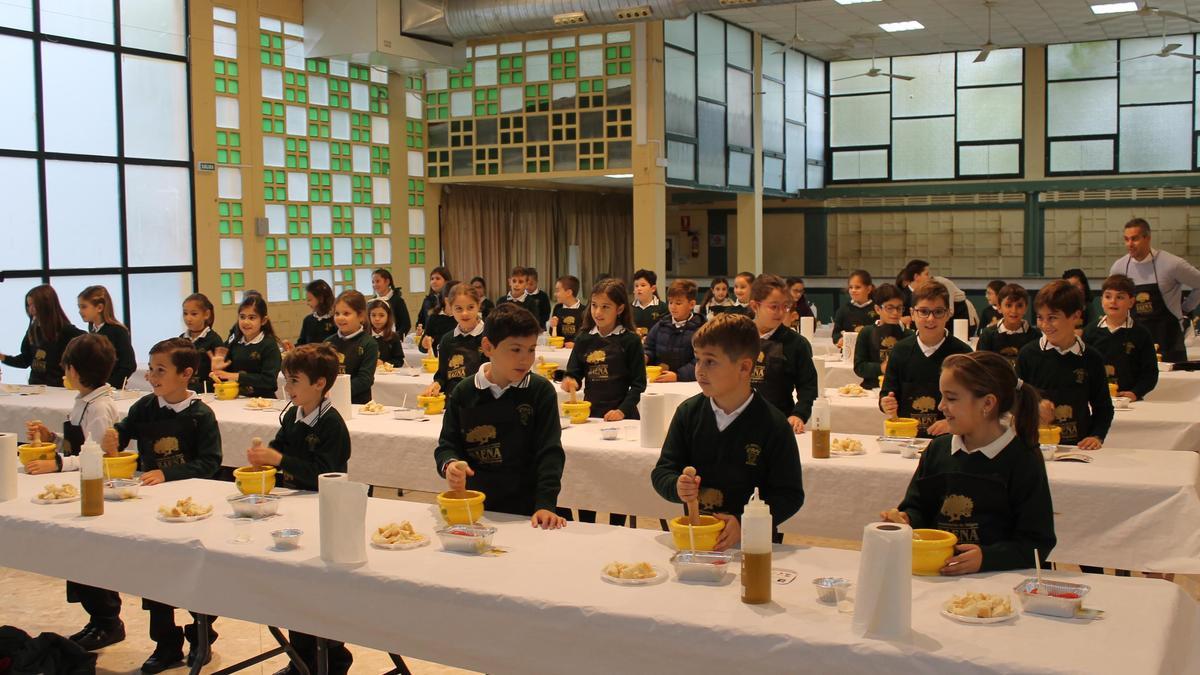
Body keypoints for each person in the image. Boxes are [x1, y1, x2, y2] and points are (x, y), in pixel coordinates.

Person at [880, 351, 1055, 575]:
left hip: (996, 582)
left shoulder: (1022, 458)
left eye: (951, 398)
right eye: (942, 396)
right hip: (937, 575)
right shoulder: (938, 450)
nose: (941, 406)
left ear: (988, 403)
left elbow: (1037, 541)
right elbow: (918, 507)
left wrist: (988, 558)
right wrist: (906, 520)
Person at [104, 338, 221, 672]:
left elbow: (210, 462)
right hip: (152, 505)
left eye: (160, 370)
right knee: (153, 570)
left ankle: (201, 634)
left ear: (186, 374)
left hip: (194, 506)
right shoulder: (145, 407)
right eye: (151, 369)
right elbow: (124, 430)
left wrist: (168, 473)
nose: (152, 376)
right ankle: (165, 642)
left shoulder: (201, 415)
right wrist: (115, 436)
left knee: (196, 572)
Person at [651, 313, 804, 551]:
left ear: (744, 367)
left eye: (710, 361)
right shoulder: (688, 413)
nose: (699, 370)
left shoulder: (773, 424)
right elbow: (663, 471)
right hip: (697, 543)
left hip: (755, 547)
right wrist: (676, 486)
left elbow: (790, 495)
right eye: (697, 359)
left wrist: (746, 523)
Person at [245, 343, 354, 675]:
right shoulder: (294, 414)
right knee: (294, 582)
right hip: (294, 508)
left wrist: (279, 459)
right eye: (285, 381)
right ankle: (302, 658)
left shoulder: (331, 425)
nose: (286, 388)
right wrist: (265, 457)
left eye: (293, 381)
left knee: (317, 588)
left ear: (319, 384)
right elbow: (282, 444)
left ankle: (332, 656)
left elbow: (327, 472)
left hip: (324, 511)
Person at [24, 335, 123, 653]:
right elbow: (77, 443)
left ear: (76, 371)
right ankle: (97, 620)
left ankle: (108, 620)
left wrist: (56, 463)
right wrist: (50, 437)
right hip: (80, 487)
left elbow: (95, 455)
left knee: (91, 557)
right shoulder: (85, 400)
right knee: (78, 560)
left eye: (66, 367)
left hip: (98, 489)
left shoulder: (100, 407)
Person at [434, 303, 566, 528]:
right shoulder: (464, 392)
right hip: (476, 508)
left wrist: (546, 504)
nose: (525, 359)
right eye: (515, 350)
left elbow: (550, 452)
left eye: (531, 349)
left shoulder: (540, 391)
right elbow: (447, 444)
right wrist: (451, 464)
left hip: (529, 509)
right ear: (488, 347)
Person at [1017, 280, 1113, 450]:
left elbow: (1103, 407)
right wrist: (1034, 406)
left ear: (1075, 316)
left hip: (1078, 445)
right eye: (1040, 317)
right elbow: (1014, 399)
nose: (1045, 325)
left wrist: (1096, 435)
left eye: (1053, 318)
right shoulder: (1028, 354)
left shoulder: (1091, 358)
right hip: (1036, 445)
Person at [879, 280, 973, 438]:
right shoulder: (900, 351)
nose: (930, 319)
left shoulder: (962, 353)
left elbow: (972, 400)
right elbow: (887, 393)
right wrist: (885, 404)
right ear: (912, 314)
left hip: (950, 438)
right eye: (923, 311)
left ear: (948, 313)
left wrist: (951, 423)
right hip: (907, 437)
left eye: (938, 312)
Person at [1109, 218, 1200, 362]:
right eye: (1126, 239)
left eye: (1134, 239)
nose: (1129, 244)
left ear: (1148, 238)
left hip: (1169, 340)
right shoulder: (1119, 267)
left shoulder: (1172, 264)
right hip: (1134, 342)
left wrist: (1185, 309)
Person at [562, 278, 646, 422]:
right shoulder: (583, 338)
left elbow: (639, 385)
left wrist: (621, 411)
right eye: (594, 305)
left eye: (605, 307)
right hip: (591, 415)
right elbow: (573, 373)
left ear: (619, 309)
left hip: (623, 417)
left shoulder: (631, 341)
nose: (598, 312)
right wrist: (570, 381)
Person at [748, 274, 818, 434]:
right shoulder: (738, 336)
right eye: (774, 306)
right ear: (754, 306)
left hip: (778, 422)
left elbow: (808, 386)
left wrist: (799, 415)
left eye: (785, 306)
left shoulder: (796, 343)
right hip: (737, 420)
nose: (781, 312)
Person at [1082, 274, 1158, 402]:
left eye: (1120, 297)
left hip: (1130, 400)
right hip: (1095, 399)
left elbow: (1150, 373)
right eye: (1108, 296)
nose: (1113, 301)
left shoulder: (1141, 334)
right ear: (1101, 300)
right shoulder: (1090, 332)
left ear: (1131, 302)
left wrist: (1135, 393)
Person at [1, 285, 84, 386]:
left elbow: (87, 343)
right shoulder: (32, 330)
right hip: (35, 387)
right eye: (28, 305)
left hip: (57, 389)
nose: (30, 309)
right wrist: (3, 357)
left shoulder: (65, 330)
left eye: (34, 305)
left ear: (46, 305)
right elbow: (25, 360)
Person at [210, 295, 282, 398]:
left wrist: (235, 376)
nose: (246, 322)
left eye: (252, 318)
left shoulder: (269, 345)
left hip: (263, 401)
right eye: (242, 317)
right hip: (237, 398)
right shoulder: (234, 342)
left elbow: (269, 381)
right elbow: (224, 376)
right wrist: (217, 370)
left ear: (263, 320)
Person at [423, 282, 487, 397]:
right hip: (452, 400)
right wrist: (437, 384)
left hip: (481, 401)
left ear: (478, 305)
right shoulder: (447, 340)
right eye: (458, 309)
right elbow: (442, 375)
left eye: (470, 307)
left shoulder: (488, 337)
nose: (465, 313)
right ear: (450, 308)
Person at [852, 284, 912, 390]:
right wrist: (881, 368)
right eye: (890, 308)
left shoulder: (909, 335)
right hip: (871, 387)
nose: (895, 313)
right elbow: (859, 367)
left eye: (899, 308)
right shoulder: (867, 332)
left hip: (900, 389)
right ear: (877, 309)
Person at [324, 290, 379, 405]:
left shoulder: (369, 343)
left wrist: (338, 391)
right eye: (337, 313)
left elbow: (365, 379)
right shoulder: (328, 343)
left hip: (357, 404)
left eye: (346, 313)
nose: (340, 318)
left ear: (361, 316)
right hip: (329, 402)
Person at [644, 279, 704, 383]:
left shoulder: (701, 329)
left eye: (678, 303)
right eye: (670, 302)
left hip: (687, 383)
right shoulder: (661, 324)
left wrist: (678, 376)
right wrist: (646, 356)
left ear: (691, 304)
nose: (672, 307)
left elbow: (701, 360)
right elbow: (649, 347)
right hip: (660, 379)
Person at [77, 285, 135, 389]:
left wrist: (109, 384)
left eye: (84, 307)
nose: (80, 311)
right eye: (79, 307)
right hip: (95, 387)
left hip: (111, 389)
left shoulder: (118, 331)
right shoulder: (92, 328)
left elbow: (128, 364)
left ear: (99, 307)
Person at [976, 283, 1040, 368]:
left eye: (1019, 305)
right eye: (1008, 305)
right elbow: (980, 366)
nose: (1014, 310)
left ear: (1026, 308)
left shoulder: (1035, 336)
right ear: (999, 307)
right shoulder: (988, 335)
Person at [180, 293, 224, 393]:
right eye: (185, 313)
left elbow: (219, 374)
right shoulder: (181, 339)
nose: (188, 318)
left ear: (206, 314)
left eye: (194, 314)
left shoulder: (214, 340)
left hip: (207, 392)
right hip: (184, 391)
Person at [831, 270, 877, 349]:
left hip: (871, 352)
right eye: (851, 287)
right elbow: (836, 333)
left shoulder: (877, 309)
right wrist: (839, 339)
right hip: (849, 352)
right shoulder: (843, 310)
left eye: (858, 287)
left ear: (869, 289)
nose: (853, 290)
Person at [289, 279, 335, 349]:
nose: (307, 303)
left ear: (321, 298)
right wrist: (292, 348)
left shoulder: (335, 319)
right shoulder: (308, 320)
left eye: (309, 300)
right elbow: (302, 343)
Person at [419, 282, 460, 357]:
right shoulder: (434, 318)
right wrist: (425, 344)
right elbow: (422, 348)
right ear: (447, 300)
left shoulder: (463, 318)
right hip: (438, 362)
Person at [371, 268, 412, 337]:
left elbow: (406, 324)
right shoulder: (373, 301)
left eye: (377, 281)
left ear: (387, 282)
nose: (374, 285)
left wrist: (395, 338)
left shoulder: (397, 300)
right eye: (373, 282)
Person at [368, 299, 406, 368]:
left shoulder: (394, 337)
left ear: (388, 316)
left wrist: (384, 363)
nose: (377, 319)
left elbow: (399, 360)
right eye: (373, 315)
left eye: (381, 315)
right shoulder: (364, 336)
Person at [549, 275, 585, 346]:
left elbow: (584, 334)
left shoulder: (584, 310)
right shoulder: (558, 308)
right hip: (560, 349)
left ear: (568, 292)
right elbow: (553, 334)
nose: (555, 294)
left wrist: (575, 343)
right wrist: (553, 326)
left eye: (557, 290)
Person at [631, 268, 667, 337]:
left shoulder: (663, 308)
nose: (639, 288)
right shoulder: (629, 308)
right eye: (636, 286)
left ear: (653, 288)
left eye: (643, 285)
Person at [416, 266, 451, 330]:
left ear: (446, 281)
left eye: (438, 278)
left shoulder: (450, 299)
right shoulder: (427, 300)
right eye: (432, 279)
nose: (434, 281)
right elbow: (421, 320)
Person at [1062, 268, 1093, 332]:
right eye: (1069, 286)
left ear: (1083, 285)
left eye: (1075, 285)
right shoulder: (1063, 307)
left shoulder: (1093, 305)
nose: (1072, 290)